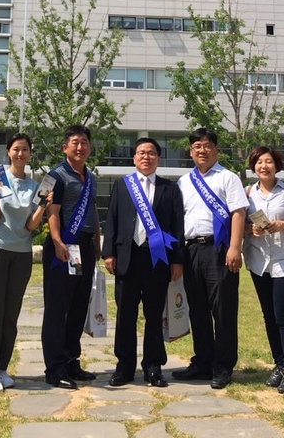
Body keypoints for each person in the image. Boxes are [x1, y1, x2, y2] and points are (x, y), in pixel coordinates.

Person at [102, 138, 183, 387]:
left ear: (158, 158)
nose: (146, 157)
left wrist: (177, 260)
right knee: (125, 314)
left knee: (154, 314)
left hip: (157, 259)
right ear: (134, 158)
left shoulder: (170, 189)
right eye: (141, 153)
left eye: (151, 153)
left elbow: (177, 226)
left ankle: (153, 366)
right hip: (126, 257)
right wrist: (108, 253)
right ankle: (124, 366)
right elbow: (112, 219)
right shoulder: (122, 185)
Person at [172, 127, 248, 389]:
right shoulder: (184, 182)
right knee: (198, 308)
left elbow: (238, 213)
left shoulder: (228, 178)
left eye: (207, 146)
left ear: (216, 149)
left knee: (223, 309)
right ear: (191, 152)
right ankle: (202, 361)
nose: (202, 151)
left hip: (220, 249)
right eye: (197, 147)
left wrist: (234, 247)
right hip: (192, 250)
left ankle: (223, 365)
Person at [0, 133, 50, 393]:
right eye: (16, 149)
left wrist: (43, 206)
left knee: (11, 314)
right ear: (8, 152)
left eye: (25, 149)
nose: (21, 154)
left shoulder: (34, 186)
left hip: (21, 254)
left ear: (30, 153)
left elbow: (30, 226)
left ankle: (3, 368)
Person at [41, 124, 101, 390]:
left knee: (78, 305)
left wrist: (97, 243)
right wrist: (57, 241)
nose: (80, 147)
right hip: (63, 247)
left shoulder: (91, 177)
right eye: (75, 142)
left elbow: (93, 210)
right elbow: (49, 210)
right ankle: (54, 368)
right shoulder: (54, 175)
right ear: (65, 147)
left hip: (84, 247)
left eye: (84, 142)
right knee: (57, 308)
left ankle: (71, 360)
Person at [243, 146, 284, 394]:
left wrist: (283, 224)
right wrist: (251, 229)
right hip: (259, 261)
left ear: (276, 165)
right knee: (268, 316)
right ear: (254, 167)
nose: (264, 166)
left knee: (282, 315)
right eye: (259, 162)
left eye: (268, 161)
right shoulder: (248, 193)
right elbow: (242, 224)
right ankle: (279, 365)